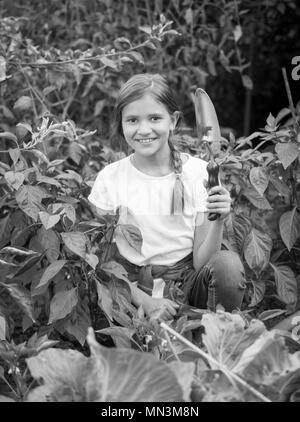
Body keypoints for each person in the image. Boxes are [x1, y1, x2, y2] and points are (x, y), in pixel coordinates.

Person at [88, 73, 246, 321]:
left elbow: (202, 261)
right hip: (133, 288)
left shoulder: (198, 174)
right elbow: (103, 267)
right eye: (132, 120)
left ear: (172, 121)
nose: (143, 130)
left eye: (154, 118)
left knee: (227, 265)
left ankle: (216, 331)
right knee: (149, 348)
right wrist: (146, 301)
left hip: (188, 281)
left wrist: (218, 220)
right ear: (121, 124)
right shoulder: (110, 180)